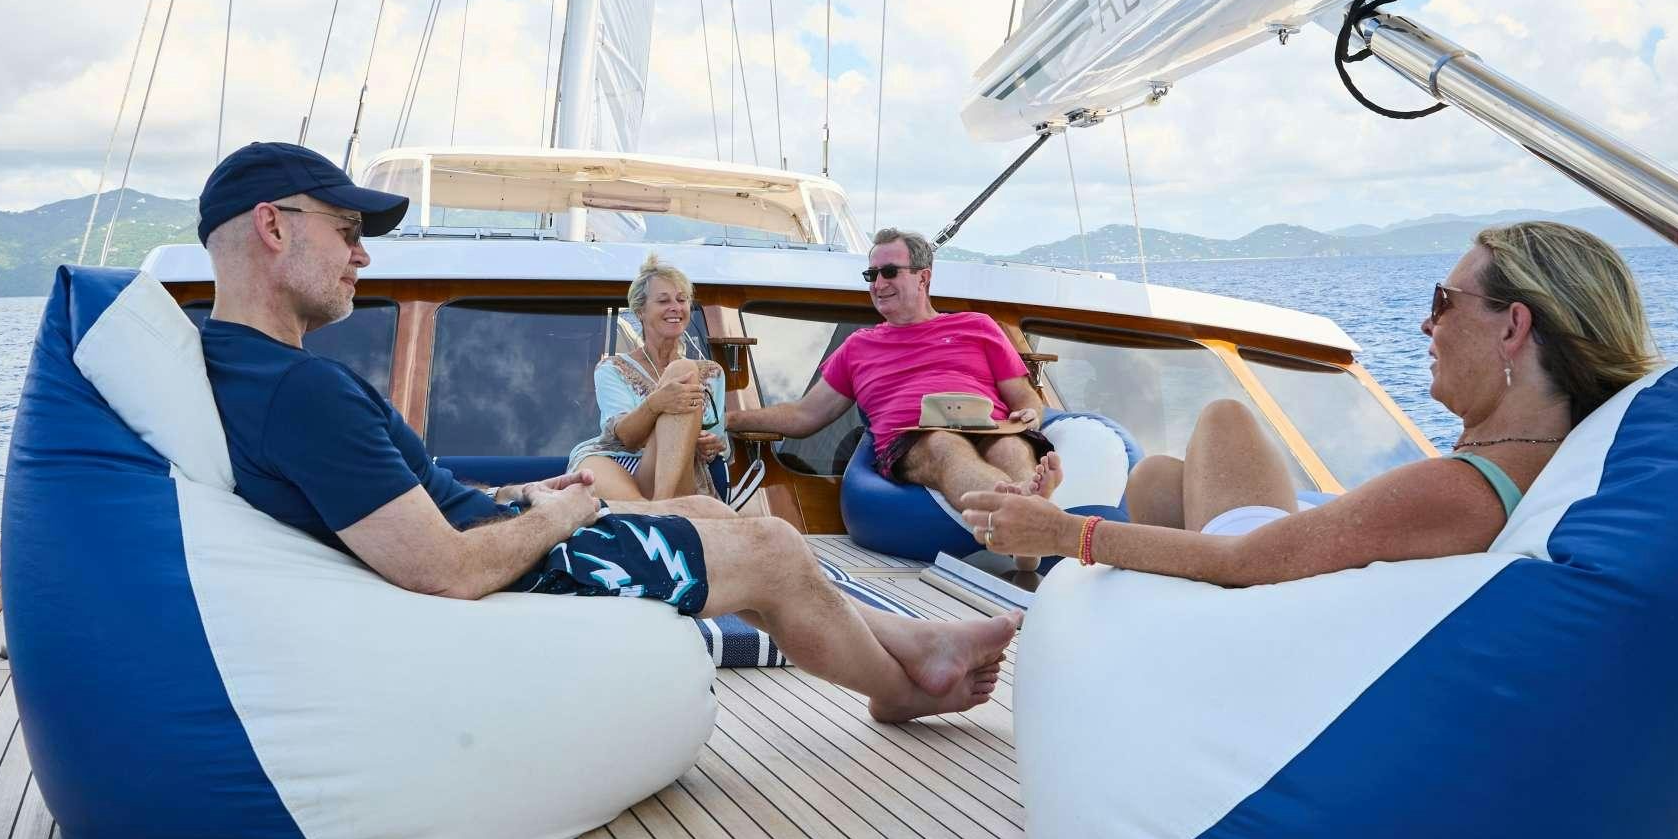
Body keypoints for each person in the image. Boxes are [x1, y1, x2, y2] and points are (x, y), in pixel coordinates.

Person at [196, 142, 1016, 723]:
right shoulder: (298, 390)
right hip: (511, 572)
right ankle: (905, 687)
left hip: (503, 529)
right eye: (347, 232)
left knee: (707, 515)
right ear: (274, 227)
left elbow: (407, 507)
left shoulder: (248, 367)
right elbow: (442, 570)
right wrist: (558, 512)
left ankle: (914, 636)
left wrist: (515, 494)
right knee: (769, 548)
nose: (362, 256)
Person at [957, 221, 1658, 584]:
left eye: (1443, 302)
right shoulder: (1561, 463)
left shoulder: (1462, 490)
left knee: (1224, 418)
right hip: (1291, 597)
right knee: (1156, 477)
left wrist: (1062, 535)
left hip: (1259, 609)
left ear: (1513, 326)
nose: (1427, 323)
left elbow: (1243, 564)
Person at [723, 227, 1051, 539]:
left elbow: (1024, 395)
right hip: (915, 438)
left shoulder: (978, 326)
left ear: (924, 277)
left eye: (890, 272)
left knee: (1011, 446)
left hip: (990, 427)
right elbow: (803, 416)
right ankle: (1030, 518)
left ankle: (1027, 520)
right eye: (872, 275)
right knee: (943, 445)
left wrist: (1030, 414)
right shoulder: (857, 347)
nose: (878, 283)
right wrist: (727, 419)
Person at [569, 254, 739, 505]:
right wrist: (656, 403)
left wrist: (711, 445)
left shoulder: (712, 373)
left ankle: (661, 507)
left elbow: (719, 444)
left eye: (682, 300)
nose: (675, 307)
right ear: (640, 311)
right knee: (684, 372)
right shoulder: (612, 368)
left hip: (680, 474)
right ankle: (663, 512)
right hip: (618, 462)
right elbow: (626, 438)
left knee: (684, 370)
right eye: (663, 300)